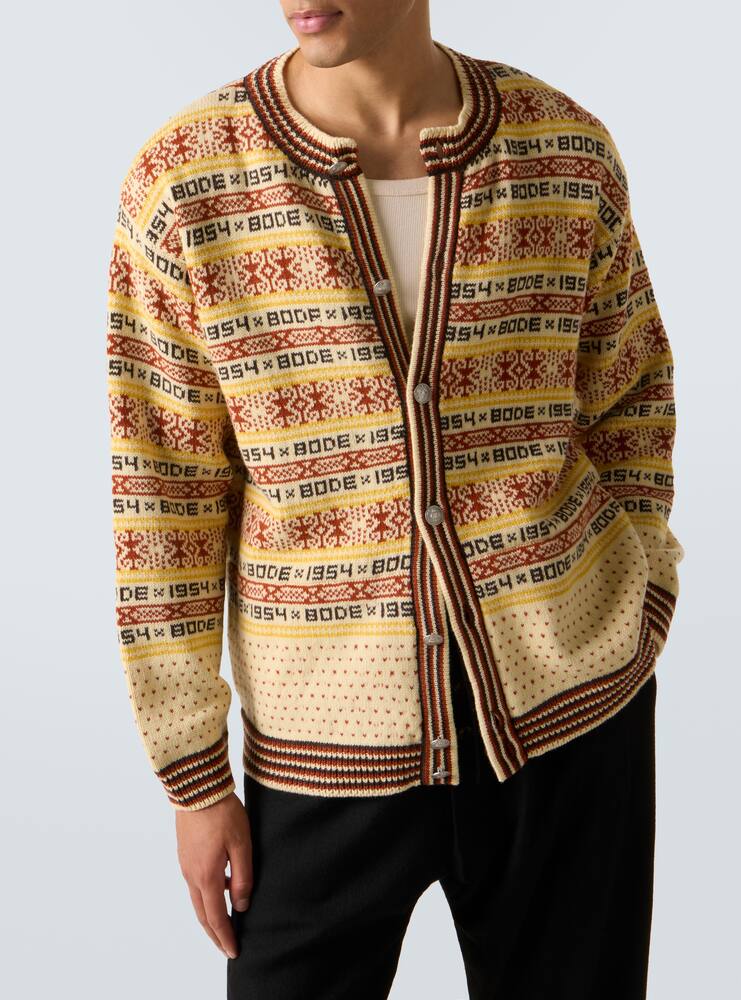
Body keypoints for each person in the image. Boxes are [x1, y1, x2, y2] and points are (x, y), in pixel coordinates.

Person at [104, 2, 684, 997]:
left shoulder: (562, 150)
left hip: (570, 716)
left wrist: (642, 595)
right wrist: (194, 777)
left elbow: (629, 394)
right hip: (323, 743)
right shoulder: (188, 181)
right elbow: (165, 492)